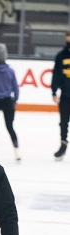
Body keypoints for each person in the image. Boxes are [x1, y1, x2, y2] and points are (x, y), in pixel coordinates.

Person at [51, 30, 70, 161]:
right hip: (66, 94)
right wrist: (54, 91)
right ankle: (63, 144)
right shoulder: (61, 56)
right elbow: (56, 74)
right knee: (63, 121)